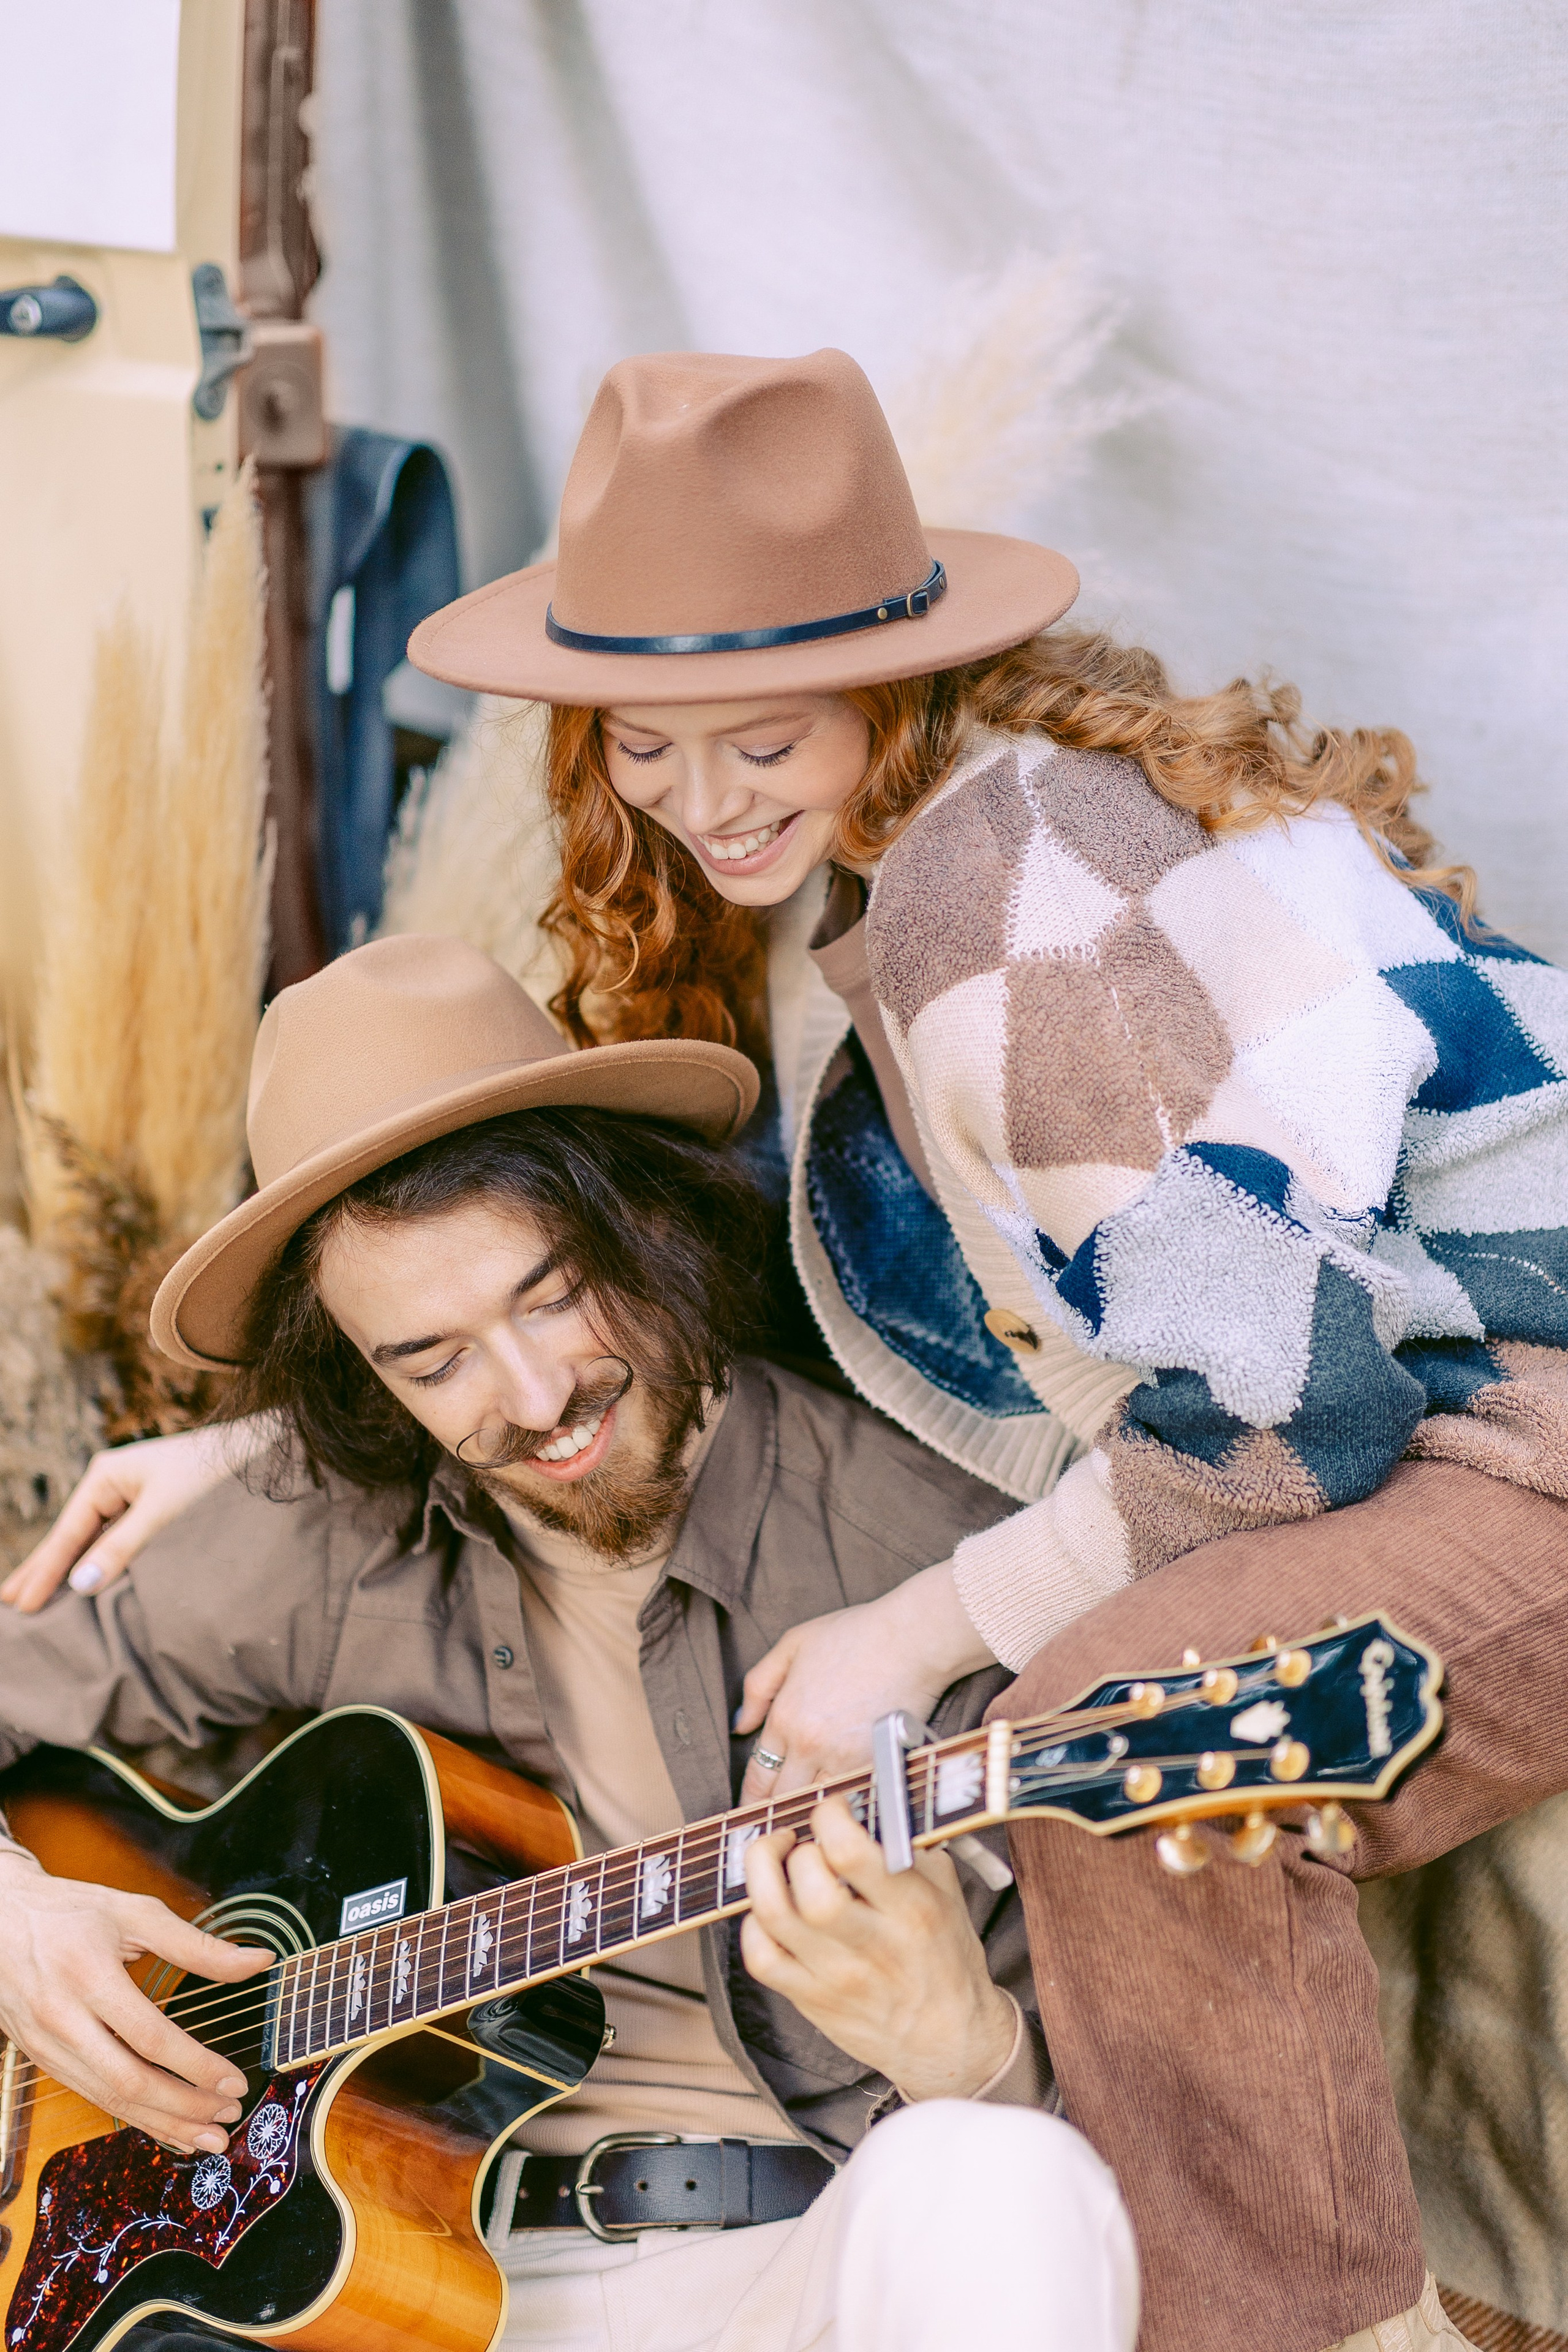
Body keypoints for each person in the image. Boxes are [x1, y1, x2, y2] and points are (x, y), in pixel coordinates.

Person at [17, 349, 1568, 2351]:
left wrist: (926, 1628)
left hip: (1506, 1425)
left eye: (756, 733)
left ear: (891, 673)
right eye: (643, 745)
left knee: (1126, 1734)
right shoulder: (877, 913)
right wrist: (280, 1457)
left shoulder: (995, 887)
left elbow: (1301, 1397)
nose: (698, 796)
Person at [0, 933, 1137, 2352]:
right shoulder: (315, 1525)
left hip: (783, 2264)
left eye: (550, 1296)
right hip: (376, 2290)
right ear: (361, 1375)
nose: (537, 1397)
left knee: (1002, 2181)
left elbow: (1149, 2166)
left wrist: (966, 2056)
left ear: (641, 1222)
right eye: (434, 1359)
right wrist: (18, 1920)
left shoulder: (932, 1565)